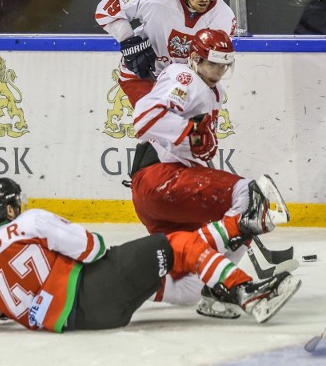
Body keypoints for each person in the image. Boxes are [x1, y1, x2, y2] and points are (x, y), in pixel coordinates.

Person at [0, 178, 300, 332]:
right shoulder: (30, 220)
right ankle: (245, 291)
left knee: (178, 280)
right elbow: (91, 248)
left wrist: (12, 306)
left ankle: (244, 225)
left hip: (83, 322)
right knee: (176, 244)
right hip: (94, 289)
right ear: (9, 207)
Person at [126, 27, 295, 314]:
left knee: (188, 285)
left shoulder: (209, 91)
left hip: (160, 193)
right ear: (194, 58)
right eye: (212, 63)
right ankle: (227, 283)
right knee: (248, 197)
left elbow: (195, 146)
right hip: (161, 179)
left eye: (223, 65)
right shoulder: (185, 78)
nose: (218, 71)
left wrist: (197, 146)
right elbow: (143, 118)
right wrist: (189, 132)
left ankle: (124, 286)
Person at [95, 0, 236, 106]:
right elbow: (105, 10)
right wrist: (129, 41)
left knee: (186, 127)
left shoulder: (223, 16)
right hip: (143, 74)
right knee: (157, 122)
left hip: (188, 81)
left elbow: (216, 60)